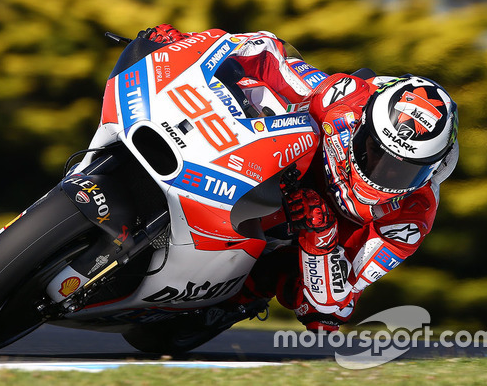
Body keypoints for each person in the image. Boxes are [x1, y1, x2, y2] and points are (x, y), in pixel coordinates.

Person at [142, 24, 459, 331]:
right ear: (362, 123)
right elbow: (269, 57)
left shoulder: (411, 219)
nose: (381, 172)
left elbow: (336, 309)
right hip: (269, 167)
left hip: (312, 237)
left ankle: (236, 299)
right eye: (373, 151)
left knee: (315, 312)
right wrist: (189, 44)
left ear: (430, 171)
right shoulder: (342, 99)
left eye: (402, 170)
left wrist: (320, 239)